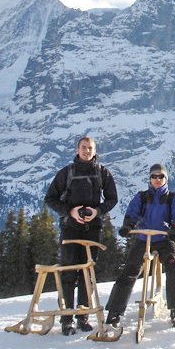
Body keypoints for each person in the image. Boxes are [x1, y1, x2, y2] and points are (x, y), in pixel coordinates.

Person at [44, 136, 118, 336]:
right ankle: (66, 319)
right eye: (83, 148)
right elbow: (50, 198)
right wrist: (70, 211)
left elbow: (113, 198)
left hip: (93, 229)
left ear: (95, 151)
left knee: (88, 273)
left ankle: (83, 316)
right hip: (70, 228)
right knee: (68, 272)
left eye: (90, 148)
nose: (86, 151)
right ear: (77, 150)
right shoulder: (66, 173)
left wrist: (97, 211)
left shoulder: (102, 173)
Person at [104, 164, 175, 328]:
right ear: (149, 179)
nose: (157, 180)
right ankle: (114, 311)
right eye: (154, 177)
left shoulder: (172, 197)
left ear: (165, 179)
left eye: (160, 177)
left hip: (165, 238)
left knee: (173, 268)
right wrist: (128, 226)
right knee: (130, 270)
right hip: (144, 238)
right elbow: (131, 213)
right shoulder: (142, 197)